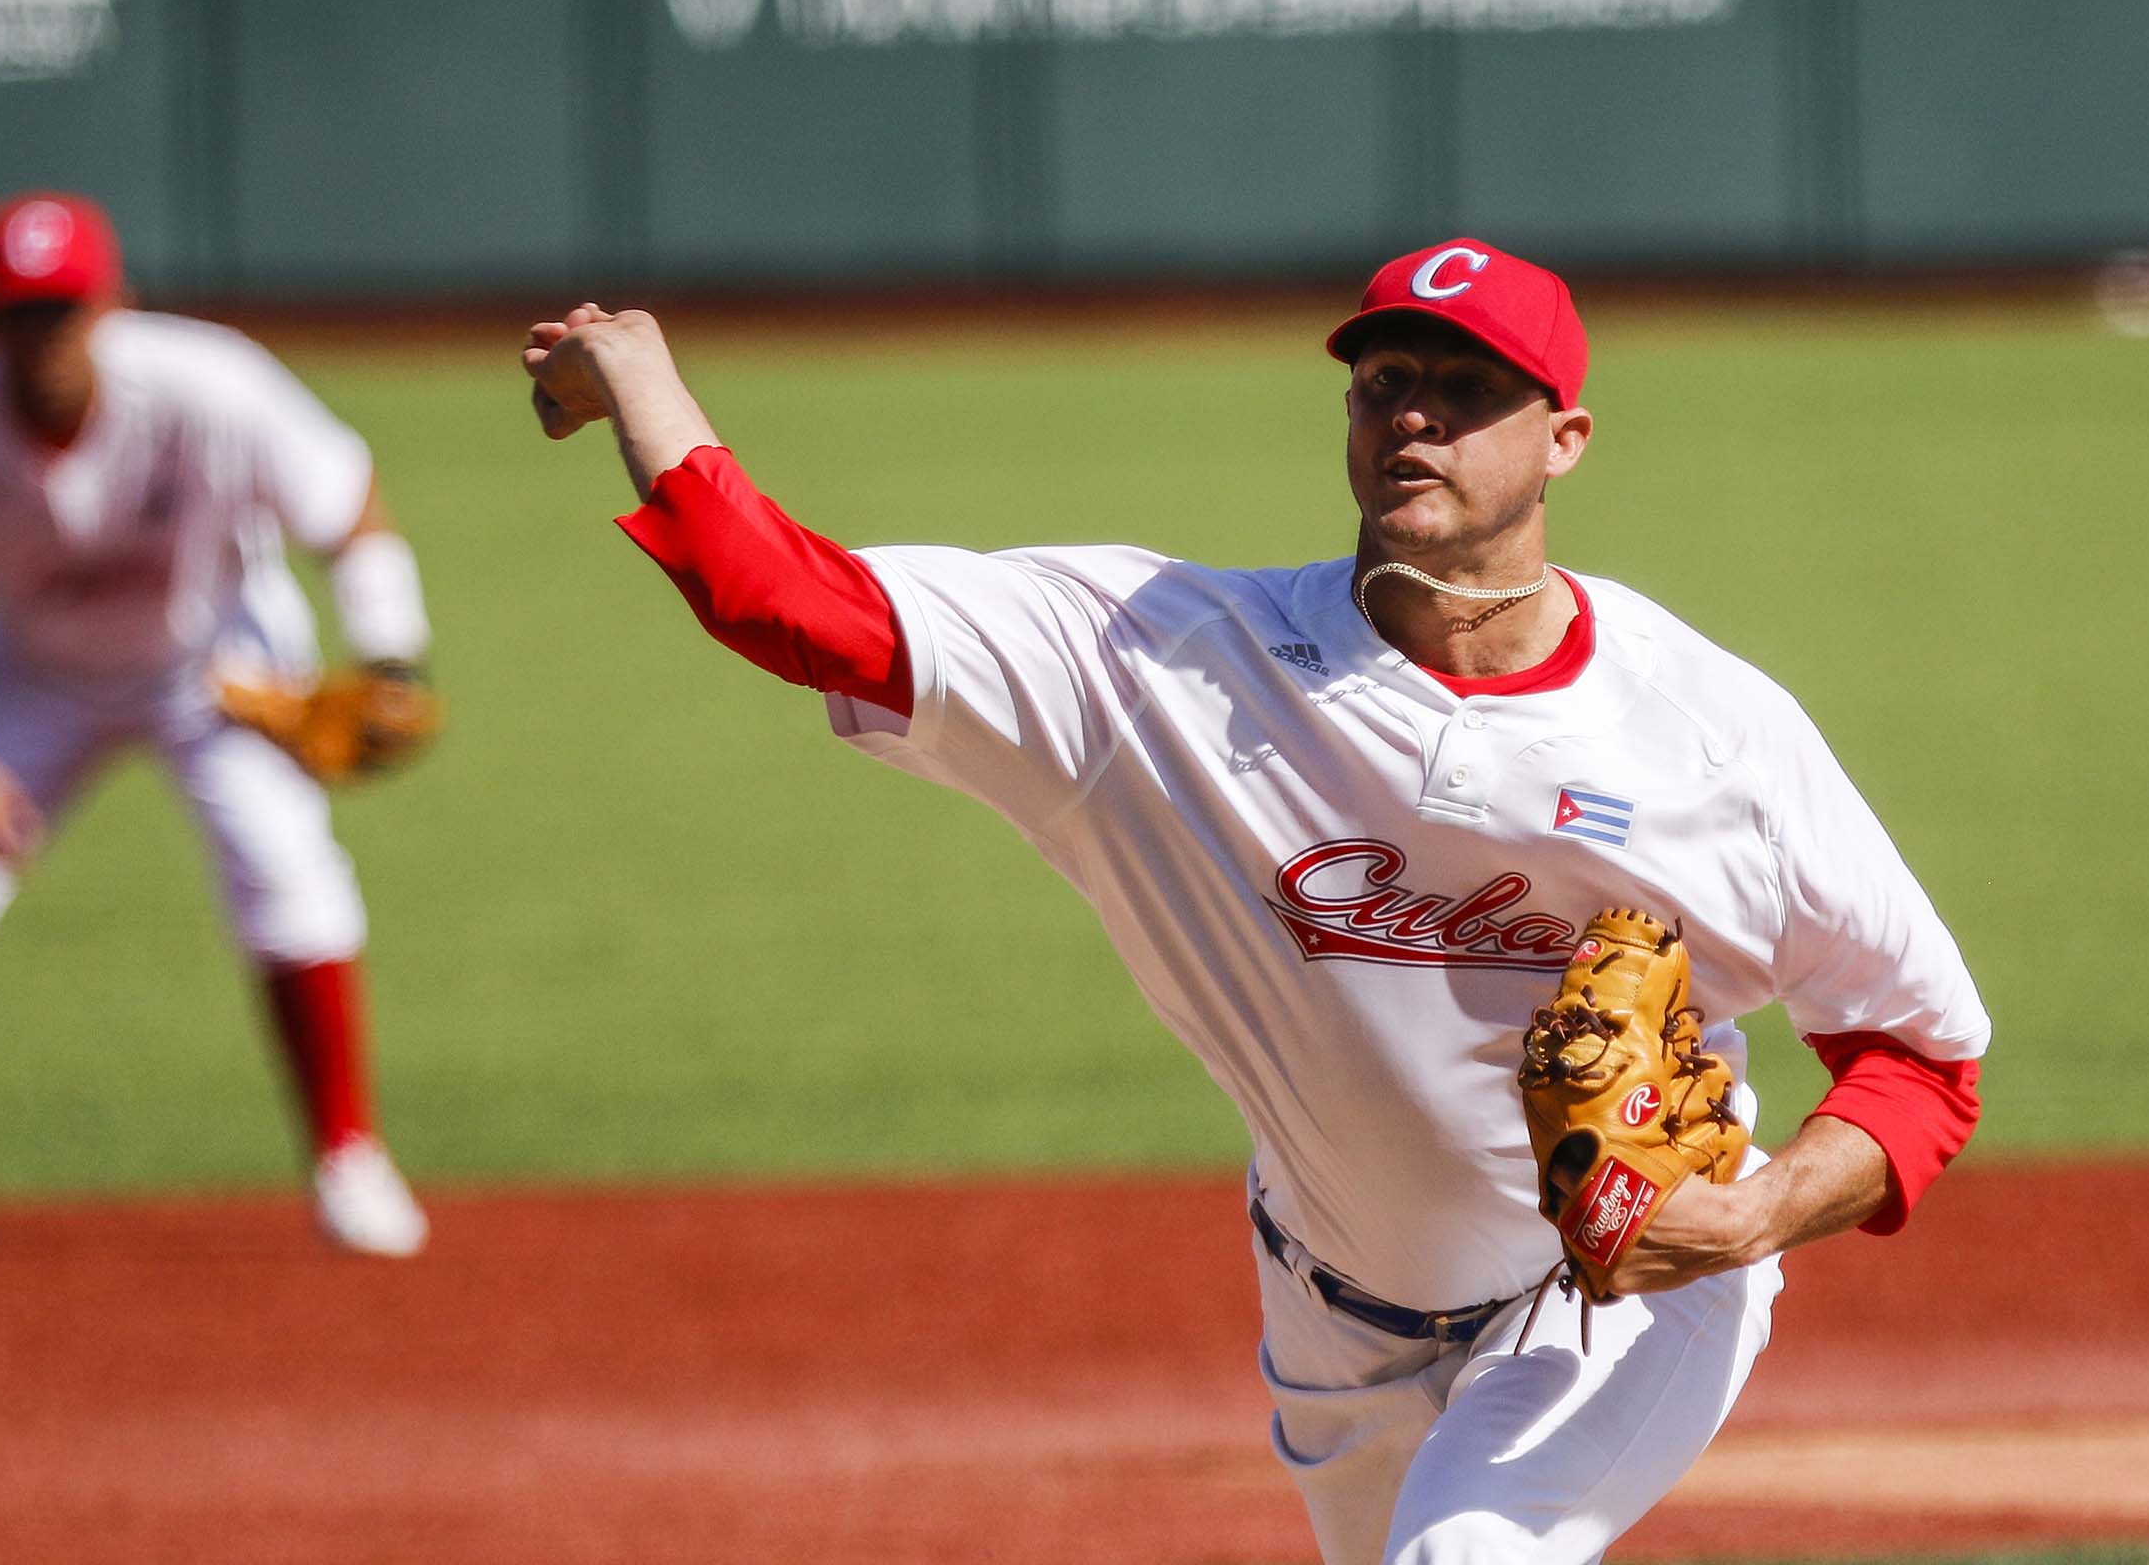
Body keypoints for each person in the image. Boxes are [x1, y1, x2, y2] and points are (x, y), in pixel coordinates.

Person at [519, 244, 1991, 1565]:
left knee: (1464, 1557)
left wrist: (1753, 1219)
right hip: (1331, 1316)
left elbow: (1923, 1057)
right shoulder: (1164, 667)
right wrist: (647, 381)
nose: (1411, 410)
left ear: (1566, 441)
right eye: (1383, 380)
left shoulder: (1710, 732)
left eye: (1465, 387)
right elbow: (793, 604)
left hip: (1620, 1296)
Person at [0, 193, 436, 1262]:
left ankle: (349, 1158)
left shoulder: (210, 383)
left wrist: (391, 653)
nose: (44, 335)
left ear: (113, 302)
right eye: (19, 312)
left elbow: (347, 503)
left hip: (216, 663)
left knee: (289, 874)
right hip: (30, 680)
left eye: (63, 307)